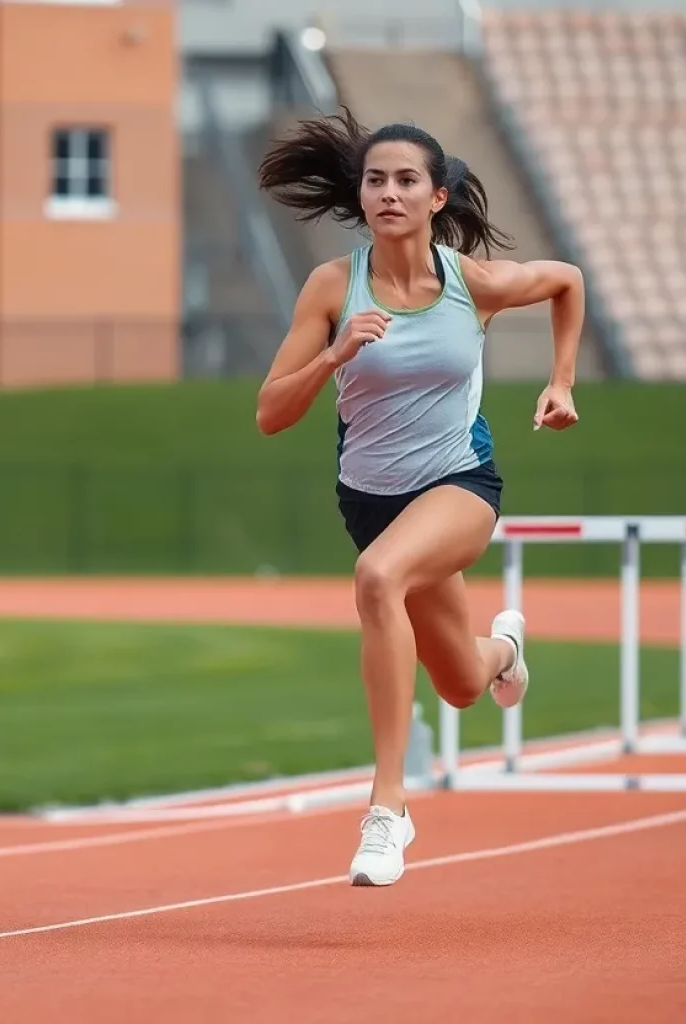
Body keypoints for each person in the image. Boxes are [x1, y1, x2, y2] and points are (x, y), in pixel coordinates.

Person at [254, 108, 583, 887]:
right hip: (371, 501)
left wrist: (561, 381)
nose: (389, 193)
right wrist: (334, 352)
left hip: (458, 483)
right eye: (376, 180)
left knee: (378, 579)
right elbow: (271, 413)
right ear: (361, 196)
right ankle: (506, 650)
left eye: (407, 181)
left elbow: (566, 280)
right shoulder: (333, 286)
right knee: (465, 684)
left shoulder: (472, 282)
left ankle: (388, 807)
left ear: (437, 198)